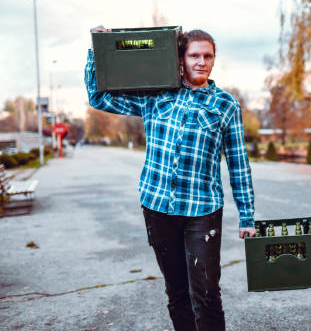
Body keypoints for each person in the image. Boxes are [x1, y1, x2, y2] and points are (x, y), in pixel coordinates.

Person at [85, 27, 256, 331]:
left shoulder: (225, 105)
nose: (201, 62)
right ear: (180, 58)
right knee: (176, 293)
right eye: (194, 55)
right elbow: (99, 96)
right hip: (158, 207)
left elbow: (238, 163)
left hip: (203, 210)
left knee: (205, 293)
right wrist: (97, 48)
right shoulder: (156, 95)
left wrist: (247, 215)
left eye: (208, 56)